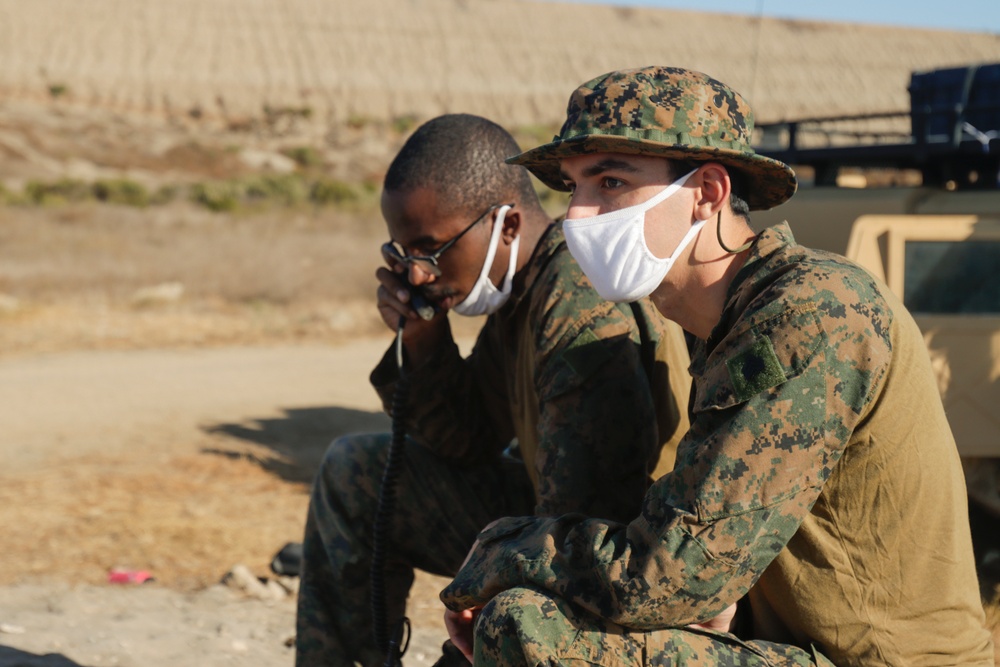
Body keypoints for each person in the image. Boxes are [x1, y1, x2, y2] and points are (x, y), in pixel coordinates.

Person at [440, 67, 996, 665]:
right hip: (801, 647)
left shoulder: (808, 313)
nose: (579, 216)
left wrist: (503, 549)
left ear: (708, 193)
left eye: (610, 182)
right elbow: (694, 553)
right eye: (573, 187)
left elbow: (666, 576)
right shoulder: (731, 321)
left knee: (527, 626)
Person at [294, 113, 693, 667]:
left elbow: (580, 528)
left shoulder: (576, 300)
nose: (417, 275)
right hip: (554, 525)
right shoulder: (522, 291)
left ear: (504, 225)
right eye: (402, 255)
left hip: (622, 557)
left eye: (429, 252)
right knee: (354, 470)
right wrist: (425, 338)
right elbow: (466, 441)